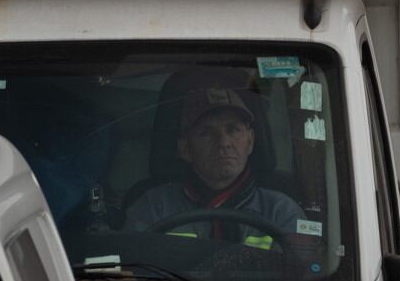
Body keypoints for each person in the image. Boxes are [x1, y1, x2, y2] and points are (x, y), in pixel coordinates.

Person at [128, 69, 304, 250]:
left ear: (250, 141)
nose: (223, 143)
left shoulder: (281, 212)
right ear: (185, 148)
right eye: (207, 133)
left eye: (233, 129)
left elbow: (301, 266)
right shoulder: (153, 208)